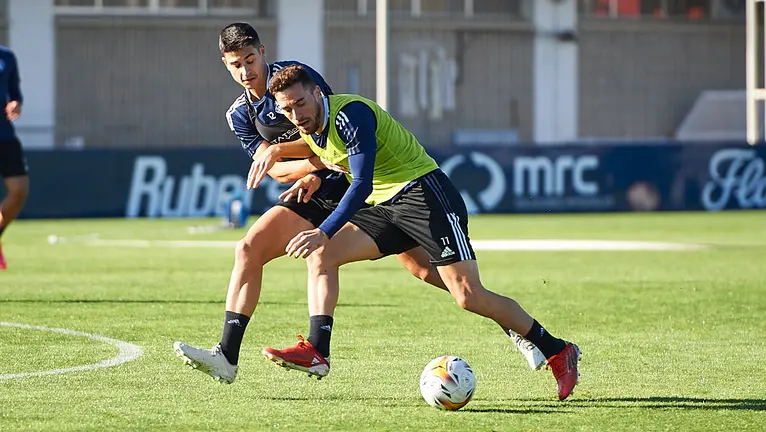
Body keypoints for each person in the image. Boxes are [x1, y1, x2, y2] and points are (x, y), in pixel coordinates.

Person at [170, 23, 547, 385]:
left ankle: (515, 327)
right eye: (236, 65)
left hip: (358, 187)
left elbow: (330, 129)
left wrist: (304, 161)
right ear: (225, 65)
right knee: (249, 248)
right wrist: (310, 166)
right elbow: (276, 171)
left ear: (262, 52)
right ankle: (228, 355)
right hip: (311, 190)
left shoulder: (295, 78)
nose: (245, 70)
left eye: (250, 60)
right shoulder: (239, 114)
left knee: (432, 273)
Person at [255, 64, 580, 401]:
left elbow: (361, 182)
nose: (295, 114)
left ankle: (558, 350)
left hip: (424, 197)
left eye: (299, 103)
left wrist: (324, 229)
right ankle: (316, 350)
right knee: (327, 255)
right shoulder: (310, 126)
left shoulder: (349, 115)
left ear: (317, 93)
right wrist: (286, 157)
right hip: (386, 206)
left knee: (468, 295)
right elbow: (328, 162)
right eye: (286, 108)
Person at [0, 45, 28, 270]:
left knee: (19, 191)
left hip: (5, 136)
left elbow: (15, 94)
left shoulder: (7, 56)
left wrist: (16, 105)